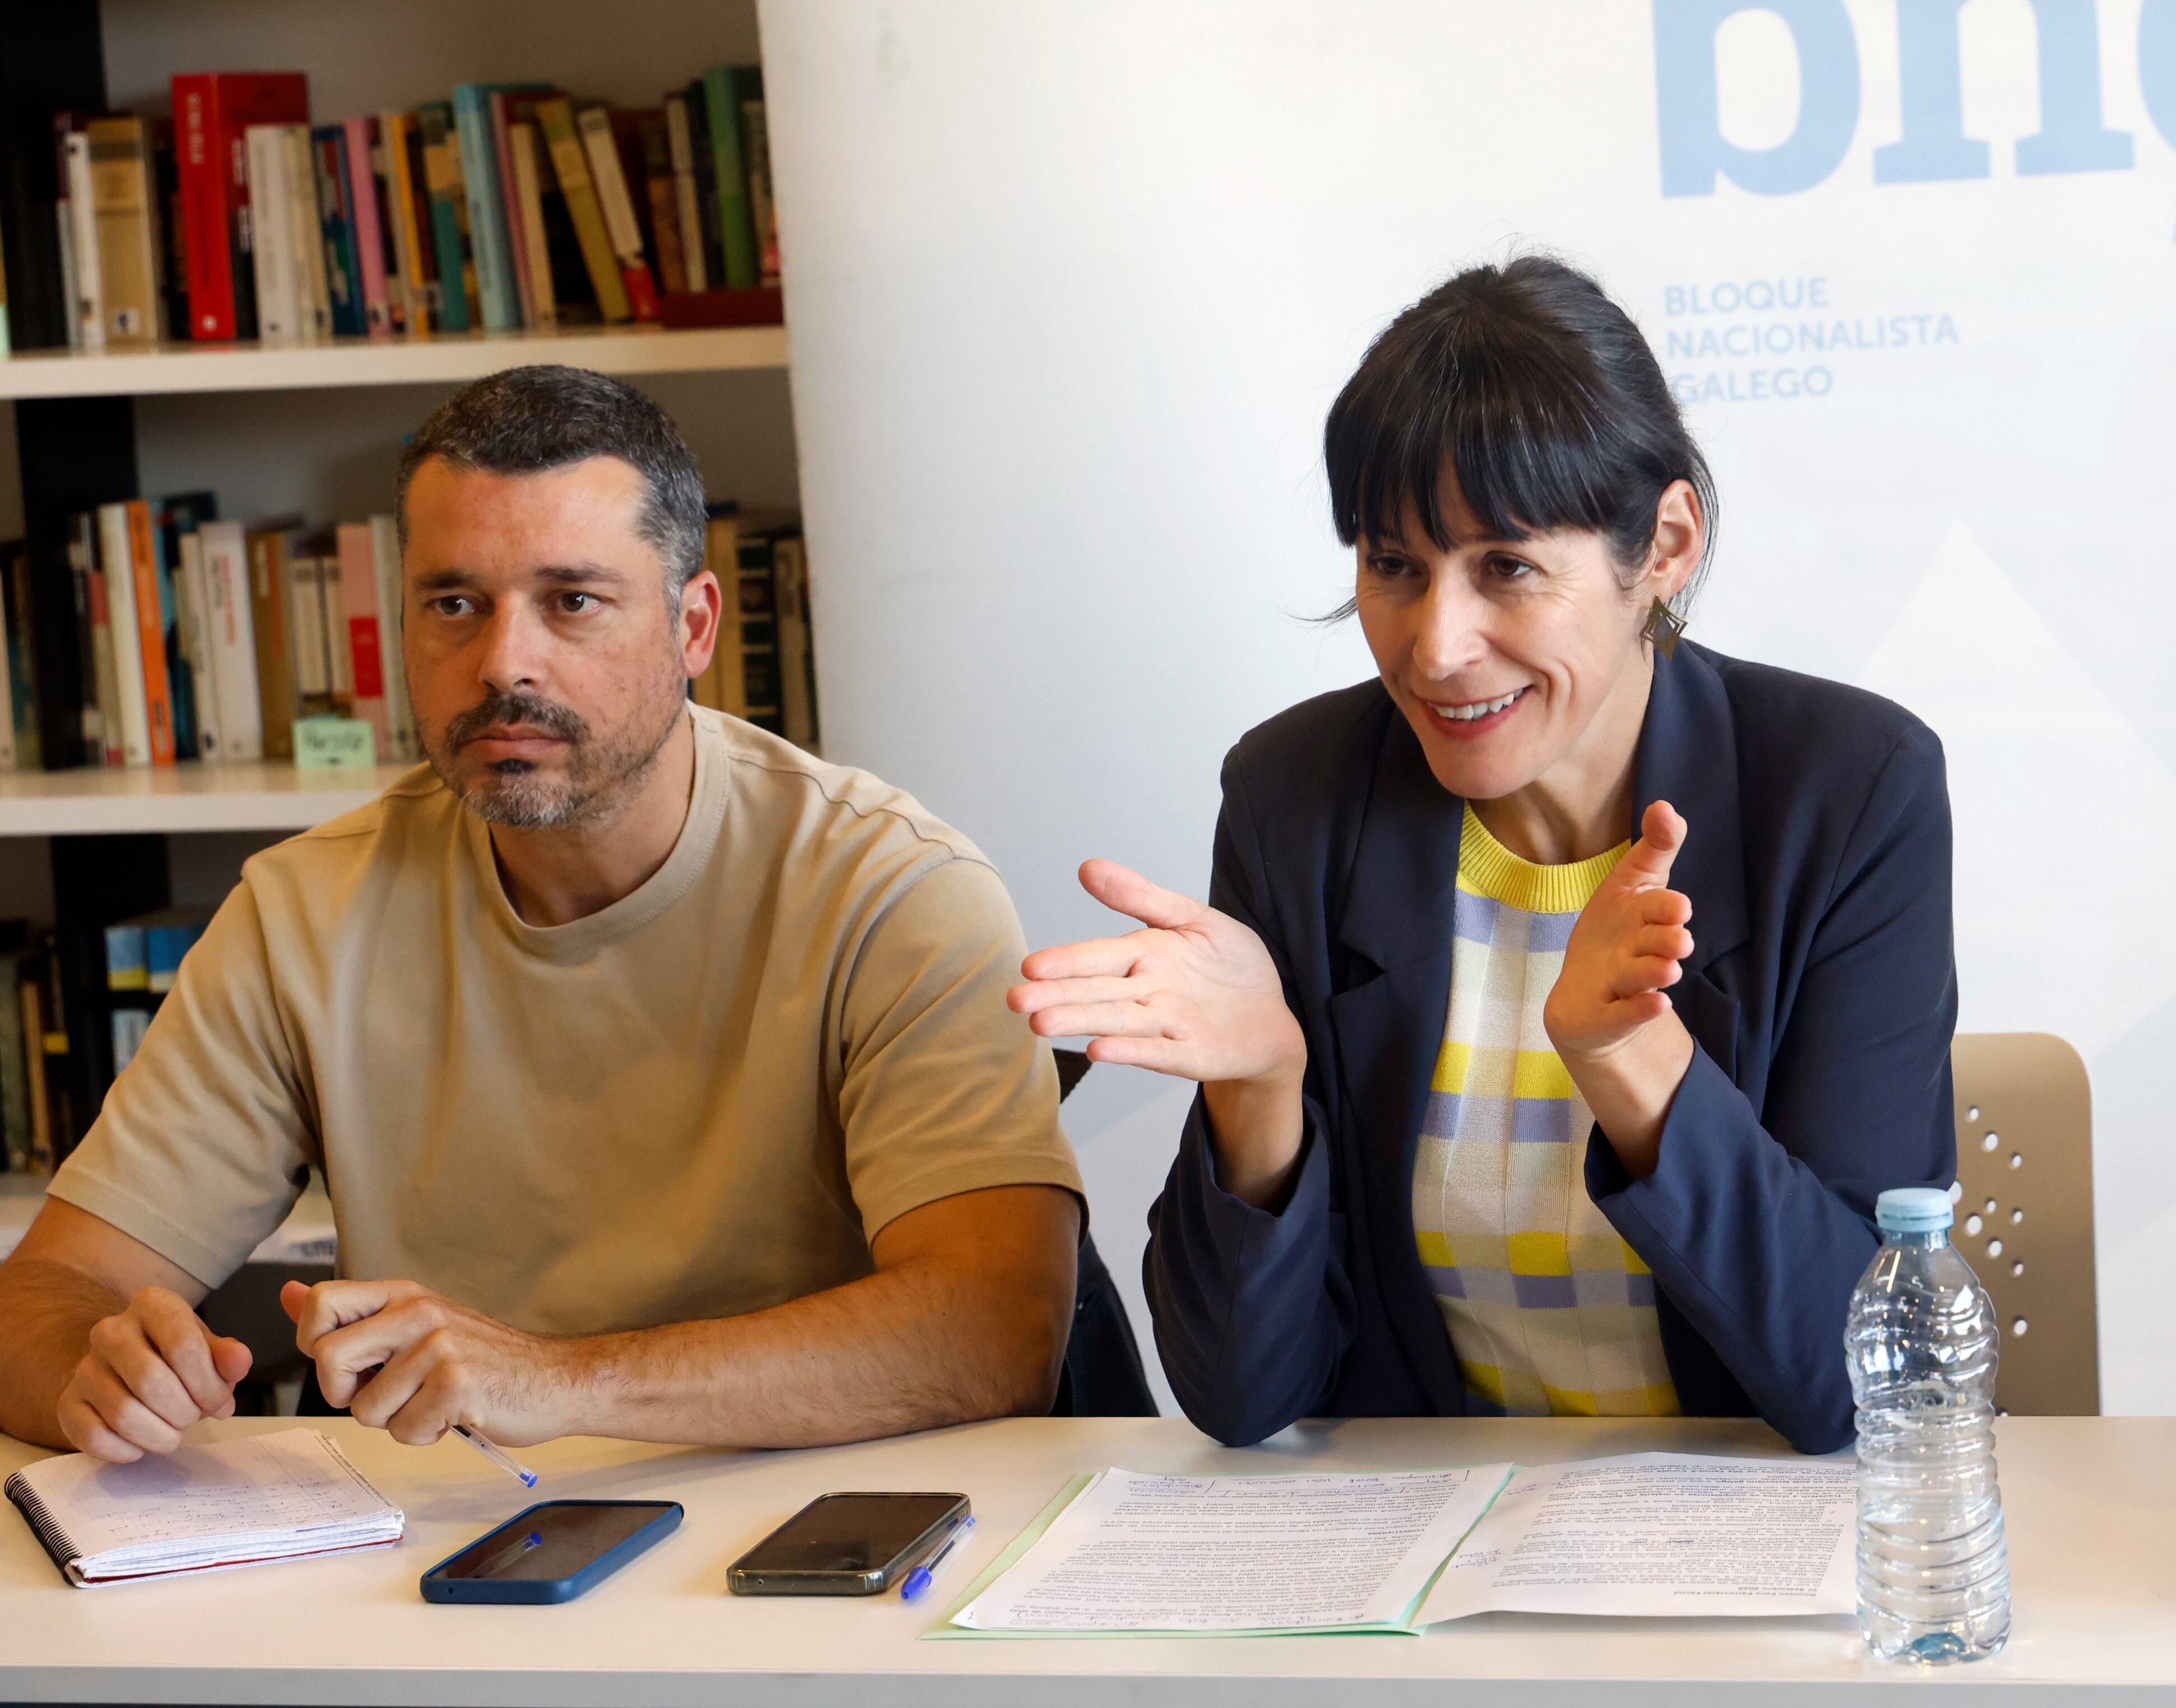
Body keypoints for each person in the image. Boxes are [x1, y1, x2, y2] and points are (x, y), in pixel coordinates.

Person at [0, 365, 1090, 1461]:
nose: (502, 664)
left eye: (572, 601)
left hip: (823, 1523)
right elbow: (43, 1295)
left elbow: (998, 1327)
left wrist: (557, 1380)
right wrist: (98, 1377)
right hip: (462, 1529)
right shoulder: (302, 916)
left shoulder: (889, 890)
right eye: (453, 605)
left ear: (694, 626)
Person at [1010, 256, 1957, 1454]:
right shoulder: (1295, 801)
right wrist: (1260, 1092)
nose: (1435, 647)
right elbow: (1242, 1398)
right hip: (1431, 1537)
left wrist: (1631, 1062)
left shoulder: (1847, 790)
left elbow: (1863, 1381)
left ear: (1664, 546)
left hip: (1754, 1530)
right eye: (1393, 566)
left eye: (1505, 566)